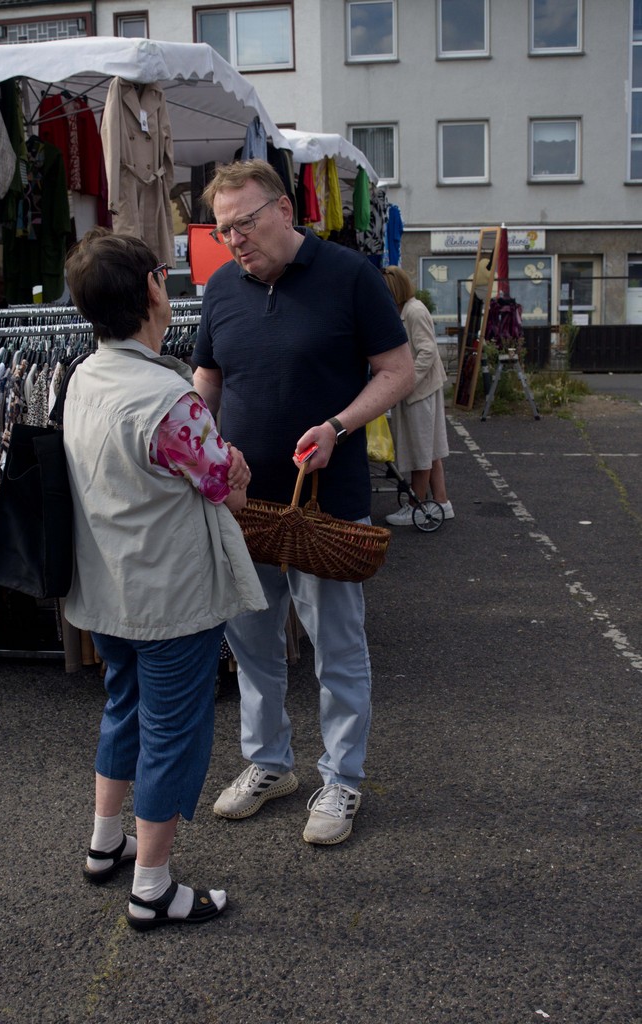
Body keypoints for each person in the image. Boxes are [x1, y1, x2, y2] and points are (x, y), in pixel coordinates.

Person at [192, 159, 414, 845]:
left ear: (285, 210)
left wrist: (340, 427)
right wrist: (202, 447)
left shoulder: (351, 277)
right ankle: (269, 764)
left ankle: (342, 778)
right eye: (223, 229)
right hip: (243, 506)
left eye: (245, 223)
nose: (234, 240)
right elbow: (208, 380)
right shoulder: (222, 287)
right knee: (252, 645)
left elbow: (398, 370)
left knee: (336, 646)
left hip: (327, 502)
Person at [61, 227, 266, 930]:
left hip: (106, 585)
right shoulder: (169, 398)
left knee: (123, 707)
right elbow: (227, 492)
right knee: (172, 732)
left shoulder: (83, 376)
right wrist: (231, 463)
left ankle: (104, 842)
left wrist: (217, 465)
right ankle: (152, 887)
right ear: (152, 290)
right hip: (170, 595)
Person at [381, 266, 454, 526]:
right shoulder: (409, 310)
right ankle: (441, 502)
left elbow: (427, 351)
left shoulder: (413, 311)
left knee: (420, 450)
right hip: (422, 389)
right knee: (431, 449)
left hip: (419, 391)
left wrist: (407, 380)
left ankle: (417, 505)